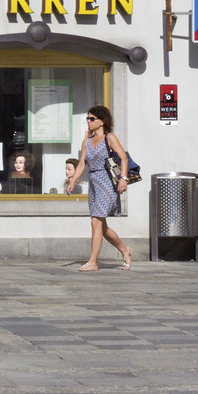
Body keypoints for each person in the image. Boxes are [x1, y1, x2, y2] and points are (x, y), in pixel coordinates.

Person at [68, 105, 131, 271]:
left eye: (92, 119)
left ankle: (92, 262)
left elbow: (123, 158)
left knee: (96, 221)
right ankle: (125, 250)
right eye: (88, 119)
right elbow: (82, 163)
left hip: (108, 182)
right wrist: (73, 180)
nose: (88, 122)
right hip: (94, 182)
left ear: (102, 121)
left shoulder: (109, 138)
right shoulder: (86, 142)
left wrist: (123, 179)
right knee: (100, 225)